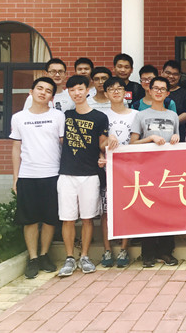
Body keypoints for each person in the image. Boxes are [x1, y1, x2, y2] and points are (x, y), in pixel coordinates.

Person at [11, 77, 64, 279]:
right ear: (31, 92)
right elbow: (16, 148)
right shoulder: (19, 117)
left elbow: (64, 144)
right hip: (28, 175)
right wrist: (15, 177)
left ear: (52, 97)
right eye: (39, 88)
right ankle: (32, 258)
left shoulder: (58, 116)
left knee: (50, 219)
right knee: (30, 220)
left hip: (52, 174)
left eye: (48, 90)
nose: (43, 92)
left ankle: (44, 255)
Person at [57, 75, 109, 276]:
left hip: (90, 174)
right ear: (68, 92)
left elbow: (102, 145)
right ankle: (70, 258)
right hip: (67, 174)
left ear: (88, 90)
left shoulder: (100, 117)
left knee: (88, 218)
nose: (77, 93)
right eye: (72, 90)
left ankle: (85, 256)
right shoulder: (64, 116)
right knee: (67, 219)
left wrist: (110, 142)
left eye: (80, 89)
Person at [130, 76, 180, 267]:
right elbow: (132, 143)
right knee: (148, 209)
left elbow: (177, 141)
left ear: (168, 93)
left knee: (168, 211)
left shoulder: (173, 116)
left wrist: (176, 138)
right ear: (149, 91)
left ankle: (166, 252)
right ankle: (148, 253)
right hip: (147, 169)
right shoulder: (140, 115)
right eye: (156, 88)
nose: (159, 92)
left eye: (163, 89)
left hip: (169, 170)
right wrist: (150, 138)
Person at [100, 77, 138, 267]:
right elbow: (99, 144)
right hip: (108, 168)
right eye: (111, 89)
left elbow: (138, 142)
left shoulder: (136, 115)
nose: (116, 92)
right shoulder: (101, 116)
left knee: (128, 207)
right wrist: (107, 143)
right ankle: (107, 249)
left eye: (119, 88)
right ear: (106, 93)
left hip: (130, 169)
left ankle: (124, 248)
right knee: (107, 210)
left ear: (125, 92)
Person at [161, 60, 186, 142]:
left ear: (179, 76)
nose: (171, 76)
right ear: (162, 73)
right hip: (157, 134)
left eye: (175, 74)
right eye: (168, 73)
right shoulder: (156, 91)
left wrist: (170, 123)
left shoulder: (185, 93)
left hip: (179, 135)